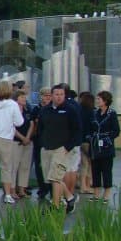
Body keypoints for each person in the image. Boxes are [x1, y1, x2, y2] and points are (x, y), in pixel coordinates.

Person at [38, 84, 82, 212]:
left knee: (56, 177)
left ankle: (55, 206)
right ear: (52, 96)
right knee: (50, 178)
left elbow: (77, 130)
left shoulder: (70, 110)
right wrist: (42, 142)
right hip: (47, 148)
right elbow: (40, 128)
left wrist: (67, 147)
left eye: (61, 94)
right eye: (56, 94)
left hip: (62, 148)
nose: (59, 97)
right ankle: (69, 197)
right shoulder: (45, 110)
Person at [90, 90, 120, 203]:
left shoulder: (111, 113)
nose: (97, 101)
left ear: (105, 100)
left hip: (106, 146)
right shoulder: (95, 113)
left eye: (99, 99)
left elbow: (116, 130)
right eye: (97, 99)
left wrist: (107, 139)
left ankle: (106, 194)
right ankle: (96, 194)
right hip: (95, 146)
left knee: (106, 170)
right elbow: (91, 127)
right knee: (95, 170)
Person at [11, 88, 35, 199]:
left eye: (25, 97)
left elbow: (31, 124)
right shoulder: (12, 112)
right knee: (13, 166)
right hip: (15, 142)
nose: (24, 99)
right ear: (16, 99)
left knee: (25, 166)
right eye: (22, 97)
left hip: (28, 142)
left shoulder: (28, 111)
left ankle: (22, 189)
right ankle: (12, 189)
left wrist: (27, 138)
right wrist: (22, 138)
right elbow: (12, 127)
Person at [31, 87, 52, 199]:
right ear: (41, 96)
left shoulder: (53, 108)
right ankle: (42, 188)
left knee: (51, 165)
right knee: (39, 165)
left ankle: (52, 189)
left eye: (49, 95)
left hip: (51, 141)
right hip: (38, 141)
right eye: (45, 95)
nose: (48, 97)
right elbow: (33, 124)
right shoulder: (36, 109)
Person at [77, 91, 96, 195]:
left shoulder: (78, 110)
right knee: (89, 164)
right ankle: (87, 186)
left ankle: (82, 186)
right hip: (89, 141)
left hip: (80, 140)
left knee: (83, 164)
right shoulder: (91, 112)